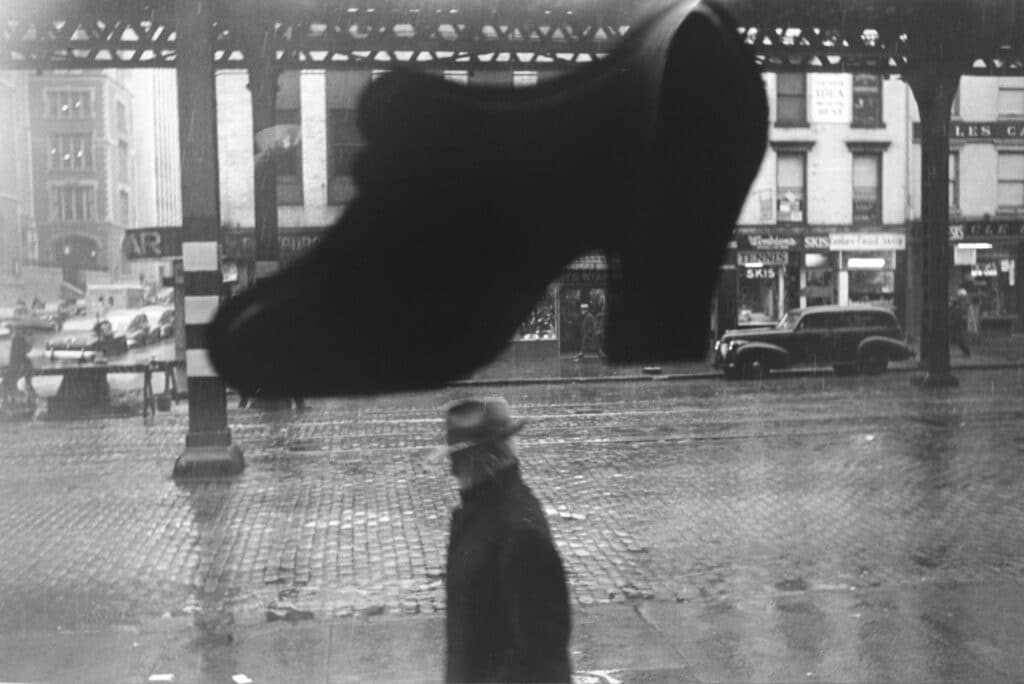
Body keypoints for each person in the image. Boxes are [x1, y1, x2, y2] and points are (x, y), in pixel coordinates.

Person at [434, 397, 571, 683]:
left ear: (480, 459)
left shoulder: (517, 532)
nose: (451, 470)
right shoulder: (482, 512)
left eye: (456, 459)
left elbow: (541, 658)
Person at [2, 327, 36, 409]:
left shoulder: (18, 340)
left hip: (16, 368)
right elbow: (25, 351)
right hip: (16, 368)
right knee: (11, 385)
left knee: (10, 384)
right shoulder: (19, 341)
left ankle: (10, 401)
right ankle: (11, 401)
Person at [949, 289, 970, 357]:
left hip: (957, 327)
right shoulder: (954, 308)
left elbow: (956, 318)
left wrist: (952, 322)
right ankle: (966, 352)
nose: (950, 303)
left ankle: (966, 352)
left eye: (951, 302)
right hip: (956, 327)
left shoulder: (956, 309)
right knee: (959, 340)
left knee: (960, 340)